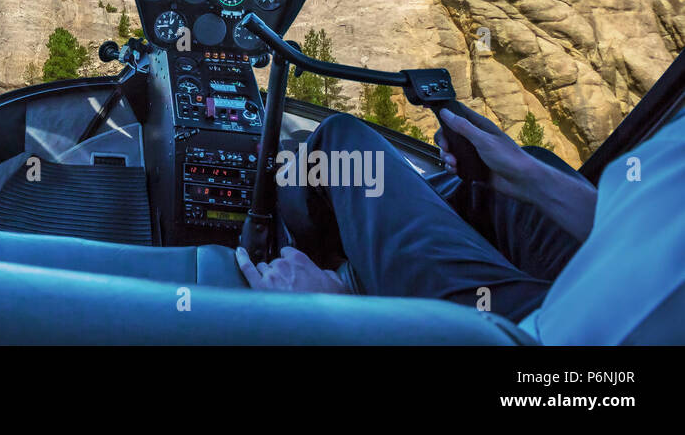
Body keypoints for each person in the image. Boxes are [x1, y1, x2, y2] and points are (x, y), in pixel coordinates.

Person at [235, 105, 685, 343]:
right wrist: (527, 177)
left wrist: (335, 320)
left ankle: (323, 265)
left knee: (347, 147)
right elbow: (652, 226)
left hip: (531, 336)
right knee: (520, 174)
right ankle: (379, 264)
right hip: (609, 276)